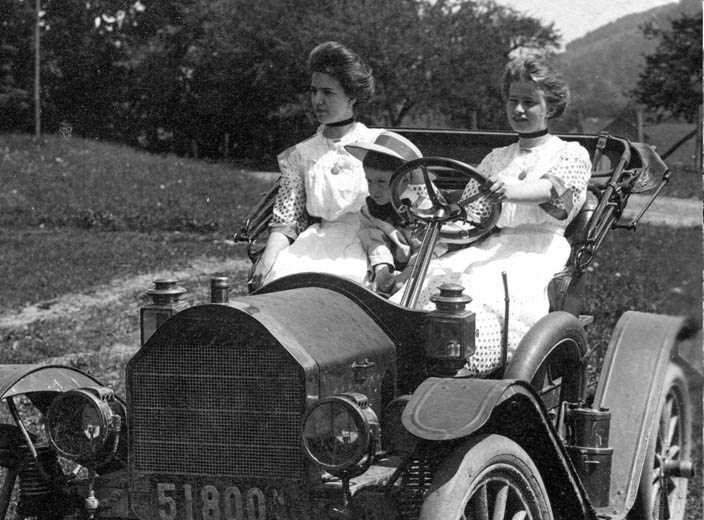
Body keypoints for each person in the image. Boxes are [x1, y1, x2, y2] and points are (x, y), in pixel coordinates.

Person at [399, 56, 592, 375]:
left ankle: (458, 364)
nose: (518, 110)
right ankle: (414, 361)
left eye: (529, 102)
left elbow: (551, 190)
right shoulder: (496, 158)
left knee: (487, 298)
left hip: (537, 252)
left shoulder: (570, 153)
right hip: (492, 246)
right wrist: (436, 230)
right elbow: (470, 219)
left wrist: (508, 191)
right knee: (436, 282)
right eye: (513, 101)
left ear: (551, 107)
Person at [253, 42, 379, 287]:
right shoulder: (300, 154)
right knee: (284, 280)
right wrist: (267, 260)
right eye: (314, 91)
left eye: (328, 93)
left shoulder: (376, 144)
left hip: (368, 243)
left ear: (352, 96)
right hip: (314, 244)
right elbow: (286, 220)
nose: (317, 100)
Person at [345, 130, 424, 296]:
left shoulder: (423, 208)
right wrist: (382, 267)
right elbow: (375, 241)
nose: (374, 190)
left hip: (421, 264)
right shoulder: (370, 210)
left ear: (405, 180)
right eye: (369, 181)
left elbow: (427, 248)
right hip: (393, 263)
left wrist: (407, 274)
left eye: (382, 182)